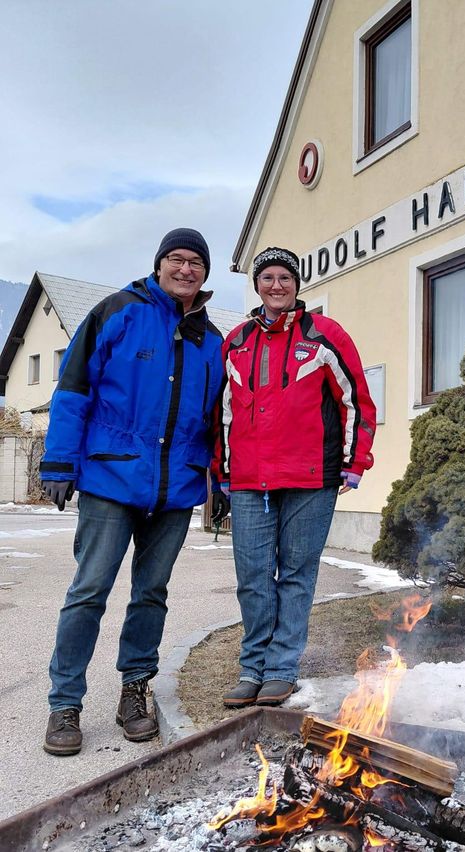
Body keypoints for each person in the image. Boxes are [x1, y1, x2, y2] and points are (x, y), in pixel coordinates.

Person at [39, 228, 225, 756]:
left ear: (205, 274)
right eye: (177, 259)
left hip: (176, 486)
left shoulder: (210, 340)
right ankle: (65, 702)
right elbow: (73, 387)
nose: (186, 269)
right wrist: (58, 459)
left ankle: (134, 691)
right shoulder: (117, 311)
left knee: (151, 593)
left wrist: (220, 478)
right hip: (110, 478)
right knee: (89, 589)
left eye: (195, 263)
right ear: (159, 263)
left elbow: (216, 420)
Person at [211, 246, 376, 709]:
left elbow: (356, 401)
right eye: (267, 278)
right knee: (253, 576)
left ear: (297, 284)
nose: (276, 286)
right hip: (248, 480)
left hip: (311, 478)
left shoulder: (324, 335)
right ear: (257, 285)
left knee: (297, 574)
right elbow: (222, 412)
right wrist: (222, 470)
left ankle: (282, 669)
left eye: (285, 277)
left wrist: (353, 461)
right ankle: (252, 667)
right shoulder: (238, 341)